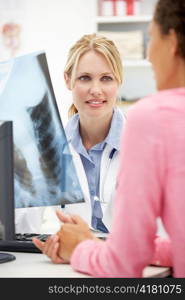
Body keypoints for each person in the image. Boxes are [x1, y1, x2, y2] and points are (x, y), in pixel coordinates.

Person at [34, 0, 185, 274]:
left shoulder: (151, 119)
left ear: (171, 41)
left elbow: (125, 263)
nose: (149, 54)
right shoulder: (47, 144)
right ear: (68, 80)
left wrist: (84, 247)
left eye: (151, 38)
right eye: (84, 78)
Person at [42, 33, 126, 234]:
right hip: (70, 262)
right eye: (85, 78)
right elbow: (21, 226)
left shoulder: (143, 145)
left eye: (106, 78)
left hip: (129, 261)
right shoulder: (48, 149)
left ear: (119, 82)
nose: (96, 90)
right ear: (68, 80)